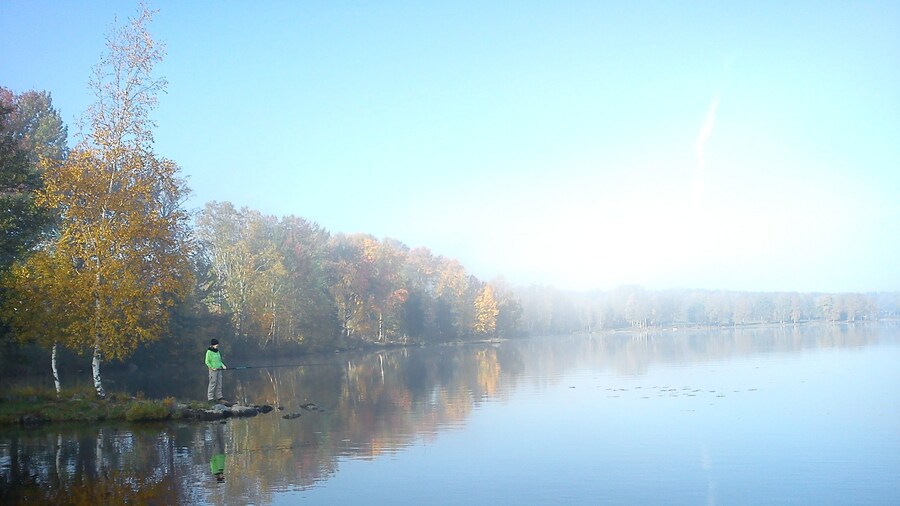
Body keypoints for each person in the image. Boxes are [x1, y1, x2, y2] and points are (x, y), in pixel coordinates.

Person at [205, 338, 227, 404]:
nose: (217, 346)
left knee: (219, 382)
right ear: (212, 345)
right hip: (213, 370)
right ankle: (210, 398)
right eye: (216, 345)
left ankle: (219, 396)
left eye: (217, 345)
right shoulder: (209, 352)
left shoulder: (217, 351)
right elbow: (207, 362)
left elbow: (219, 361)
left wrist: (223, 366)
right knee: (212, 383)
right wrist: (212, 368)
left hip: (219, 369)